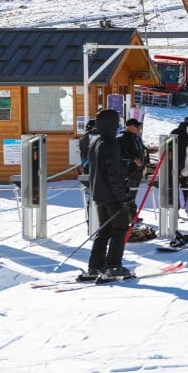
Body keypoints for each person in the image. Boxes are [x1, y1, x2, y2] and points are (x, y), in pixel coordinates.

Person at [79, 109, 132, 281]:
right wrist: (122, 197)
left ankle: (95, 266)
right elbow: (113, 174)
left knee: (105, 231)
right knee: (120, 230)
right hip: (112, 196)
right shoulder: (110, 143)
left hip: (99, 194)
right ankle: (113, 266)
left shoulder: (96, 142)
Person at [118, 118, 147, 221]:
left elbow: (142, 150)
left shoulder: (136, 138)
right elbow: (120, 154)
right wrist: (133, 158)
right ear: (129, 126)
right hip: (128, 171)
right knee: (128, 193)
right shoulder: (121, 138)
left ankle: (132, 216)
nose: (138, 128)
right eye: (136, 126)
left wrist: (145, 162)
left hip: (137, 171)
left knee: (133, 193)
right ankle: (126, 217)